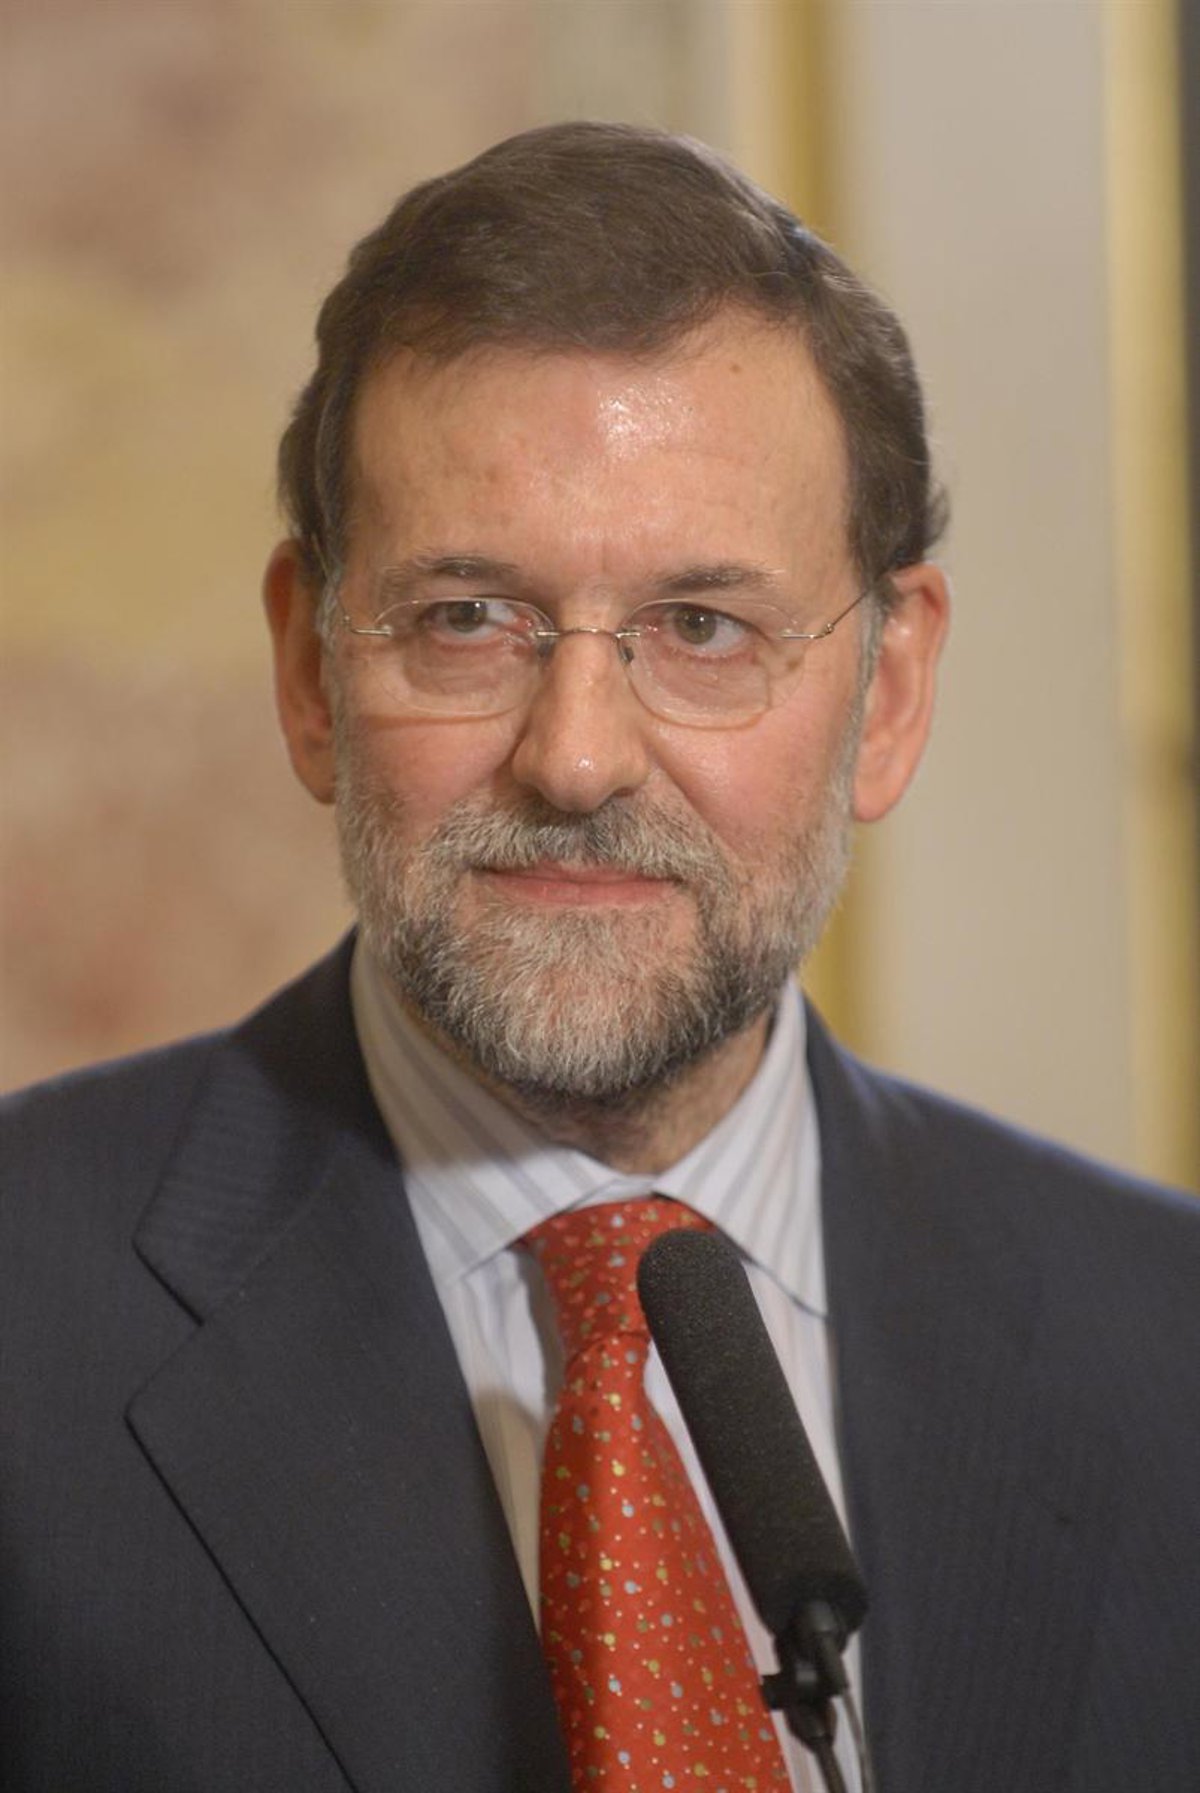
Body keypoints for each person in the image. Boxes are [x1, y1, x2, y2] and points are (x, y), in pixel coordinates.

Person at [2, 123, 1197, 1793]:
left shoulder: (1167, 1345)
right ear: (308, 670)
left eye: (701, 628)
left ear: (890, 691)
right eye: (466, 618)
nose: (575, 758)